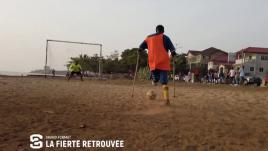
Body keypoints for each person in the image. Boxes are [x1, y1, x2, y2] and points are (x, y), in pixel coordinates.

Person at [139, 25, 176, 105]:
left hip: (153, 62)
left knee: (155, 79)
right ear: (163, 31)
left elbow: (141, 46)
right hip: (163, 61)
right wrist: (173, 52)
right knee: (164, 82)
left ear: (156, 30)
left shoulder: (149, 37)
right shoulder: (165, 37)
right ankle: (166, 100)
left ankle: (155, 81)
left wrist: (140, 50)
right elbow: (172, 48)